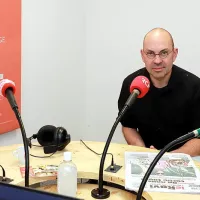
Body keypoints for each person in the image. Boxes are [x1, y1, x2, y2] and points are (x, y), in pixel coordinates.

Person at [118, 28, 200, 156]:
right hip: (145, 156)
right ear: (142, 55)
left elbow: (199, 138)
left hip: (184, 158)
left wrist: (167, 158)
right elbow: (128, 126)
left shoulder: (195, 87)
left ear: (174, 54)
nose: (157, 61)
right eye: (150, 53)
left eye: (164, 53)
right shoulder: (132, 85)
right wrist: (143, 152)